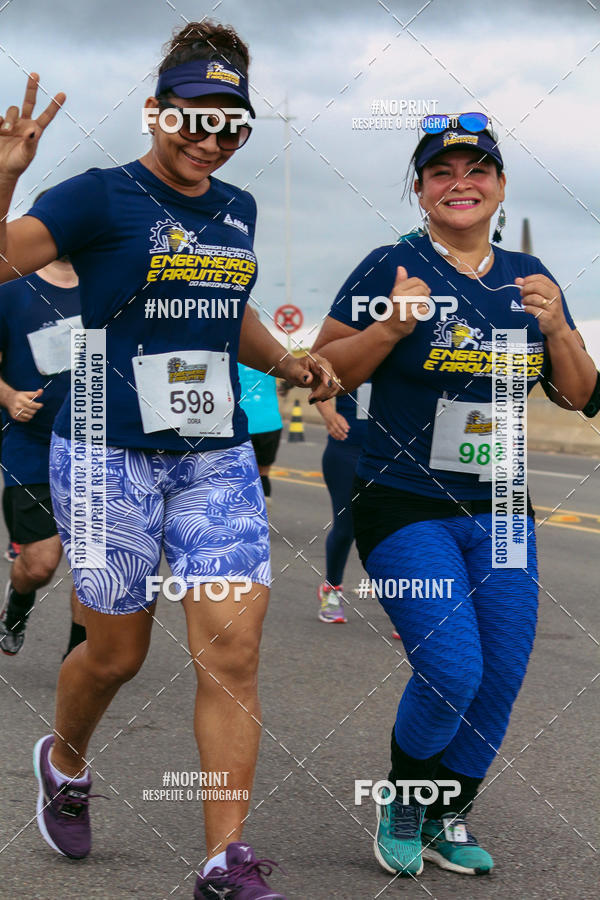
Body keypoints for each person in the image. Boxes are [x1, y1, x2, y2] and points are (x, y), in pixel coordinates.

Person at [0, 21, 336, 900]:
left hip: (213, 456)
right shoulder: (99, 198)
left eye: (232, 124)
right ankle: (65, 760)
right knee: (114, 654)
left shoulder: (238, 209)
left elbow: (229, 310)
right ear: (158, 111)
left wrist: (288, 361)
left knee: (232, 653)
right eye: (194, 117)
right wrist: (6, 173)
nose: (211, 140)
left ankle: (225, 860)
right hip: (106, 450)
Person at [312, 116, 596, 878]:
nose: (459, 183)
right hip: (404, 501)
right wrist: (389, 330)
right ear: (420, 188)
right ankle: (404, 802)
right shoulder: (391, 266)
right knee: (452, 668)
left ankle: (448, 813)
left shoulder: (530, 276)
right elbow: (323, 369)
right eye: (442, 172)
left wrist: (560, 327)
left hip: (502, 507)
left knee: (501, 674)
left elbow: (579, 393)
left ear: (500, 187)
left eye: (477, 171)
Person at [0, 235, 86, 658]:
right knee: (40, 564)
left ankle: (80, 663)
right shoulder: (11, 288)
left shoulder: (106, 285)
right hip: (31, 443)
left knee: (94, 566)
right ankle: (17, 605)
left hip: (98, 442)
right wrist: (8, 396)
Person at [314, 384, 370, 624]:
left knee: (399, 532)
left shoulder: (401, 351)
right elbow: (318, 377)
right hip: (347, 451)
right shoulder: (347, 348)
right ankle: (332, 589)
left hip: (392, 455)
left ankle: (405, 606)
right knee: (346, 527)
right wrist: (329, 415)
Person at [237, 308, 283, 508]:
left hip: (242, 423)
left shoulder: (232, 353)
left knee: (240, 474)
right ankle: (264, 507)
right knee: (263, 472)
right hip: (270, 422)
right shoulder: (271, 355)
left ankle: (244, 515)